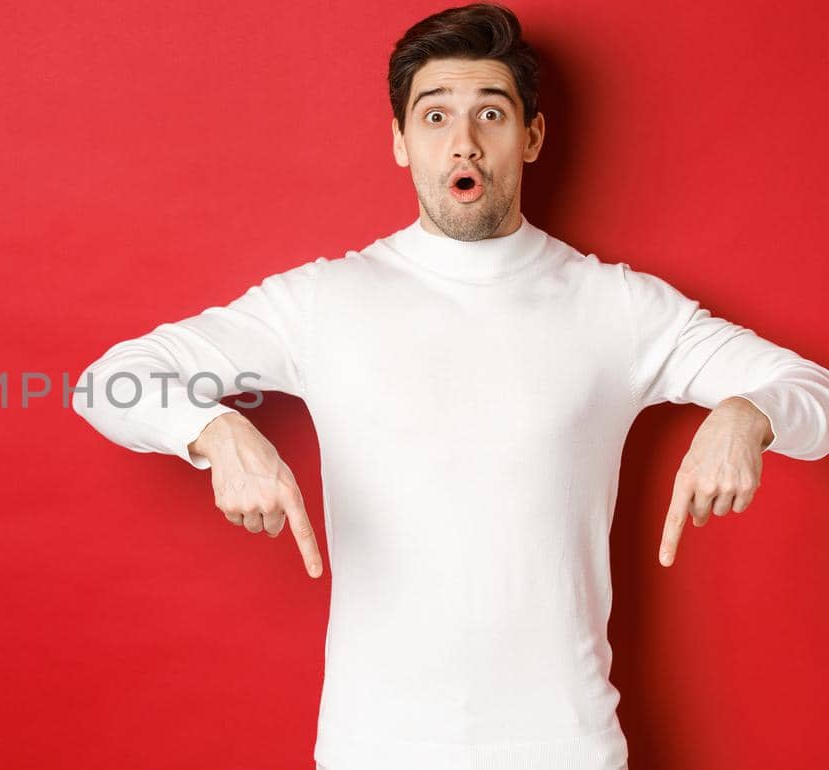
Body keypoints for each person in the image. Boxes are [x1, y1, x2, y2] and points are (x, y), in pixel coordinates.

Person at [69, 4, 829, 769]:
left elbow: (814, 393)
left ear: (530, 135)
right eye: (434, 117)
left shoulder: (618, 307)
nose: (462, 142)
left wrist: (748, 411)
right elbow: (108, 383)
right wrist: (213, 433)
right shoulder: (322, 302)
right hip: (373, 748)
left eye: (490, 114)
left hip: (567, 746)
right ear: (401, 141)